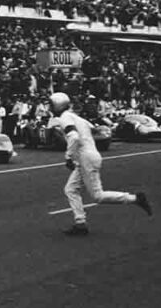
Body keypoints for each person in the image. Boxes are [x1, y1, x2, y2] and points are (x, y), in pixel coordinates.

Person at [49, 92, 151, 235]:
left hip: (86, 157)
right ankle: (80, 222)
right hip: (89, 156)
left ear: (57, 105)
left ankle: (135, 198)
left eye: (51, 105)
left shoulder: (65, 118)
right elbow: (93, 128)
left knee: (97, 196)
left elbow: (74, 136)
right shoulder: (75, 117)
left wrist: (68, 156)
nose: (50, 108)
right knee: (70, 189)